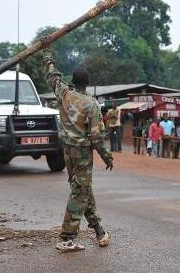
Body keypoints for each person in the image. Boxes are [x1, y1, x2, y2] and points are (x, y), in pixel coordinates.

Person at [43, 50, 113, 252]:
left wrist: (47, 54)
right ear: (88, 83)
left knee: (82, 190)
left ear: (72, 80)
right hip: (82, 153)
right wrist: (107, 157)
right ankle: (66, 238)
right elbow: (97, 137)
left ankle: (99, 231)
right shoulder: (91, 104)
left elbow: (52, 74)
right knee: (79, 192)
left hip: (67, 151)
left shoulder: (63, 92)